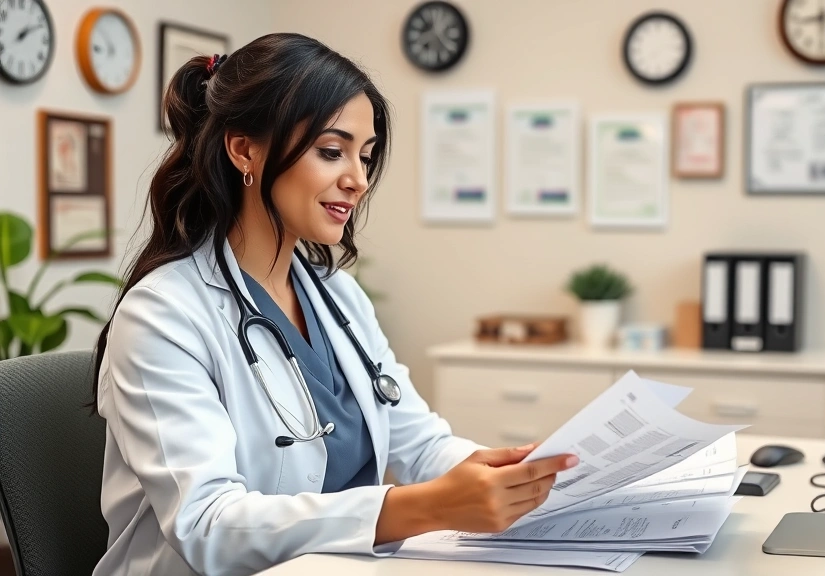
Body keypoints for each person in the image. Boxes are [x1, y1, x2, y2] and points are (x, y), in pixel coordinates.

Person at [90, 33, 578, 576]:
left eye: (365, 157)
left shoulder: (337, 296)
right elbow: (208, 526)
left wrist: (503, 475)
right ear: (244, 149)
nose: (359, 180)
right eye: (331, 151)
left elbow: (418, 443)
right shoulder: (163, 315)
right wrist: (424, 506)